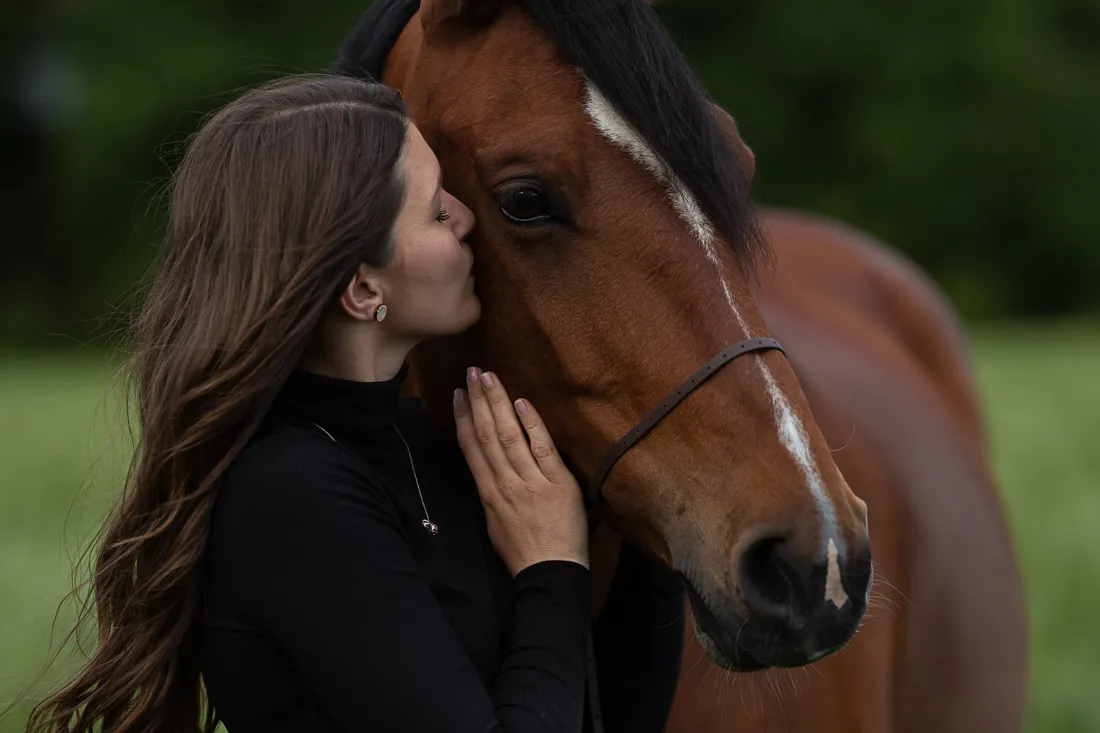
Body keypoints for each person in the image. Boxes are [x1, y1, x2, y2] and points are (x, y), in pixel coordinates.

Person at [25, 75, 685, 733]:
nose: (465, 217)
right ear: (363, 289)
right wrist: (551, 566)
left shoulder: (439, 444)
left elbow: (614, 715)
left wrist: (645, 519)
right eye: (434, 210)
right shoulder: (291, 498)